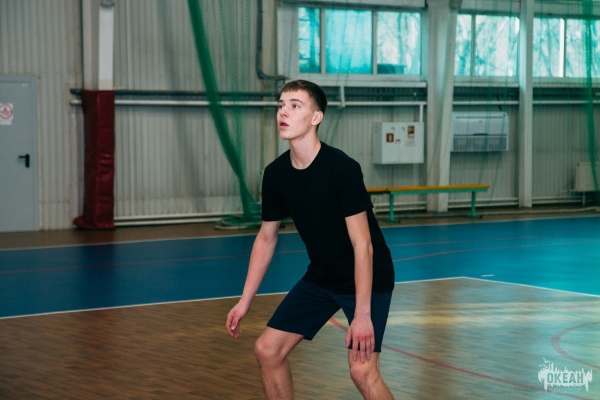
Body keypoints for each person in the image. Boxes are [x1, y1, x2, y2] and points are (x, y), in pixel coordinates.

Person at [226, 79, 395, 399]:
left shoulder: (342, 169)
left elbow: (363, 245)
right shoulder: (275, 175)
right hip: (322, 277)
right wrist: (245, 300)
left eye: (295, 106)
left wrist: (362, 315)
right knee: (267, 350)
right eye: (280, 105)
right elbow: (266, 238)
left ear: (316, 117)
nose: (283, 112)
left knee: (362, 371)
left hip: (368, 279)